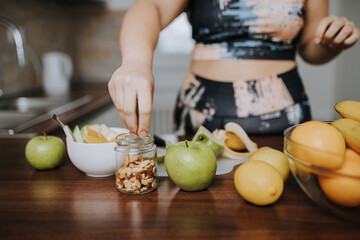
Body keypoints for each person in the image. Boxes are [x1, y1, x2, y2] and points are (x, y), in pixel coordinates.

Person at [108, 0, 359, 137]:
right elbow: (150, 6)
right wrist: (135, 63)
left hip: (286, 115)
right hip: (199, 114)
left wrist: (332, 42)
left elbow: (310, 48)